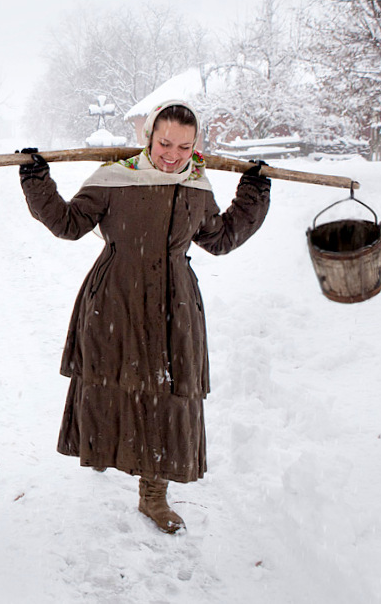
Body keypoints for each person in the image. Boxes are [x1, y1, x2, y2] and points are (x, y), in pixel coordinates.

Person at [18, 100, 269, 534]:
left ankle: (154, 495)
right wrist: (37, 180)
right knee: (111, 381)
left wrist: (253, 194)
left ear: (196, 146)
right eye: (164, 142)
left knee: (168, 396)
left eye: (184, 146)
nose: (172, 155)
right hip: (115, 295)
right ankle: (104, 448)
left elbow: (221, 237)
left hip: (176, 304)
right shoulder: (116, 178)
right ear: (148, 137)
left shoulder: (196, 186)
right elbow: (69, 223)